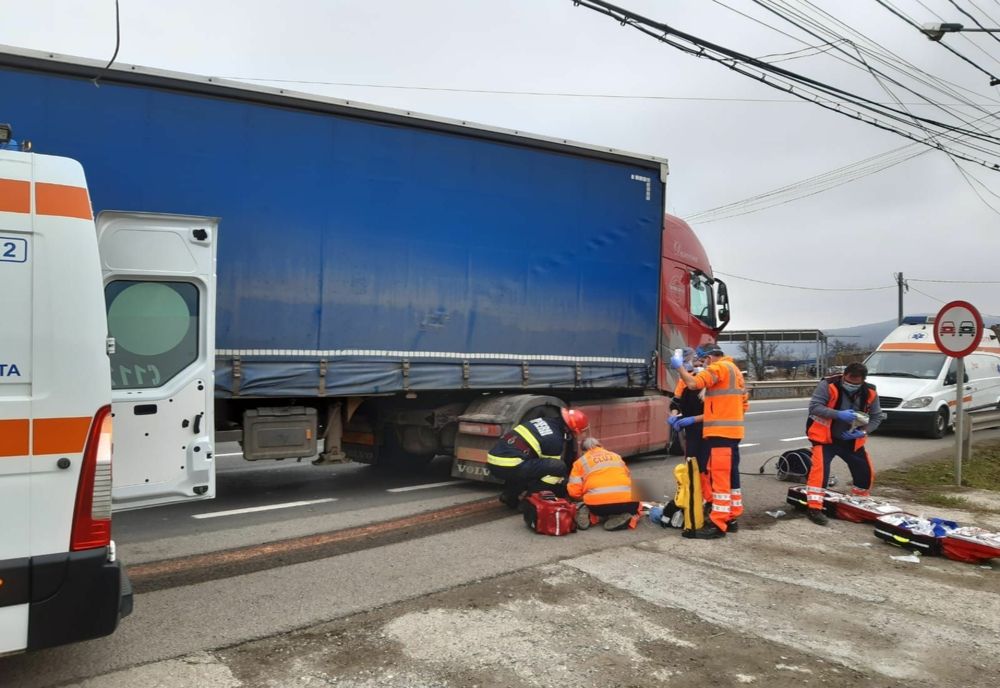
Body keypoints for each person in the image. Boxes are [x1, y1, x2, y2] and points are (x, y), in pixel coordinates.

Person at [671, 343, 748, 539]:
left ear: (708, 357)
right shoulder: (735, 372)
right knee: (731, 478)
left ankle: (717, 524)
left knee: (719, 478)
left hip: (721, 433)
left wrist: (679, 367)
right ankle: (730, 518)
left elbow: (693, 384)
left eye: (703, 361)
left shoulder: (719, 368)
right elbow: (744, 404)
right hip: (732, 432)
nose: (702, 365)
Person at [804, 362, 883, 526]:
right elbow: (815, 407)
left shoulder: (870, 392)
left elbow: (876, 417)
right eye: (849, 381)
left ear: (863, 381)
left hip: (851, 439)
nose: (852, 385)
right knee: (820, 471)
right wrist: (838, 414)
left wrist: (863, 431)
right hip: (825, 438)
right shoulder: (828, 385)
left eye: (856, 383)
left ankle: (859, 502)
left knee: (864, 472)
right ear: (844, 376)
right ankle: (814, 508)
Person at [487, 408, 589, 509]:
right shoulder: (555, 439)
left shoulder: (544, 421)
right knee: (558, 467)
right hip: (510, 465)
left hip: (494, 461)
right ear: (569, 429)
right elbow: (551, 467)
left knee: (530, 467)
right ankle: (528, 502)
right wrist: (562, 484)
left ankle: (509, 496)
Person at [566, 437, 638, 531]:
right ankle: (622, 515)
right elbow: (628, 477)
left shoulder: (580, 462)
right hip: (627, 504)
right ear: (601, 445)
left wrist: (585, 495)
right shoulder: (616, 456)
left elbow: (574, 492)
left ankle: (588, 511)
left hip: (597, 507)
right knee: (639, 489)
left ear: (583, 451)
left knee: (588, 499)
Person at [668, 347, 710, 504]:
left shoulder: (710, 382)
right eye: (693, 361)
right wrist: (674, 415)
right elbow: (676, 402)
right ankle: (694, 495)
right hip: (691, 431)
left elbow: (715, 412)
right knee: (691, 462)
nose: (696, 363)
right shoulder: (685, 381)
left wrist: (693, 419)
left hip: (708, 430)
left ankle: (708, 498)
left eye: (698, 360)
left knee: (705, 465)